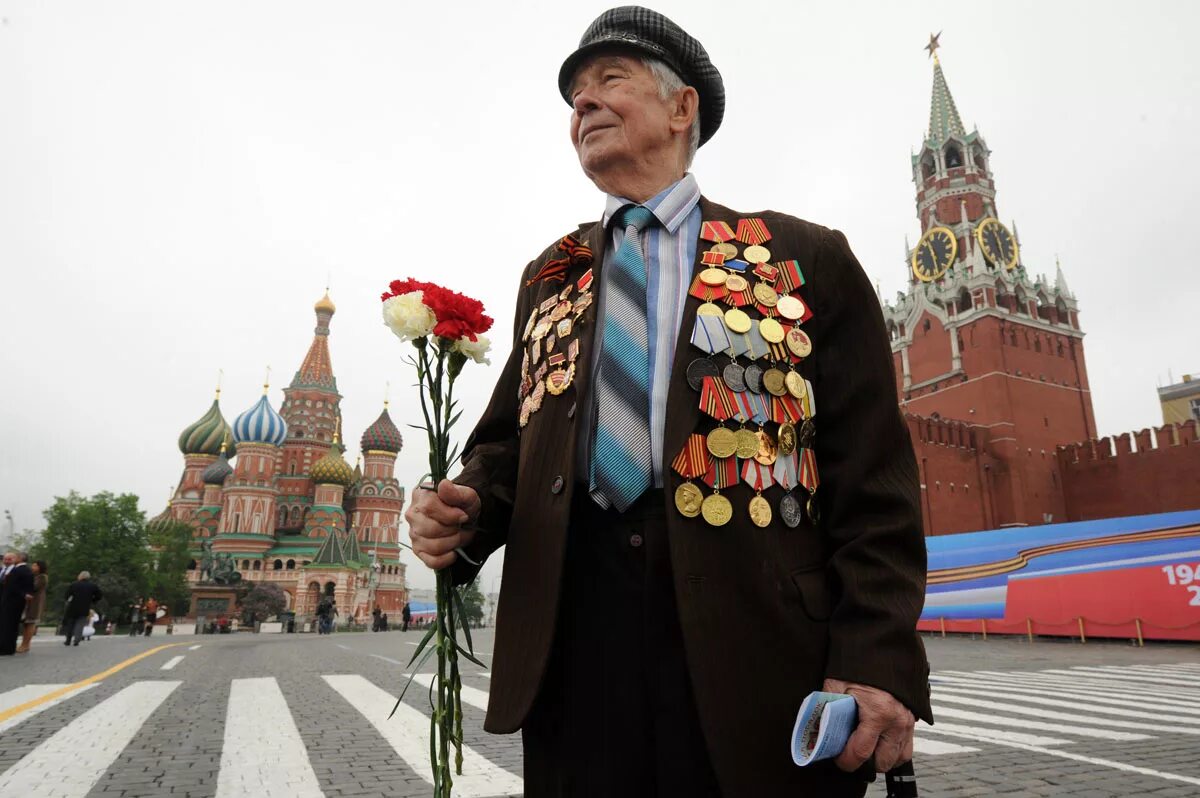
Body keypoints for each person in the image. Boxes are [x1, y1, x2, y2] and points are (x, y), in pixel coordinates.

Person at [404, 8, 932, 796]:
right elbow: (509, 446)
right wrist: (464, 506)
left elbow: (875, 481)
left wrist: (875, 657)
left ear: (682, 108)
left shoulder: (801, 256)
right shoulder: (551, 274)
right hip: (577, 638)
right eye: (574, 95)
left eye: (608, 80)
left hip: (760, 640)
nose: (582, 104)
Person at [0, 551, 35, 656]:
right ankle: (8, 647)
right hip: (14, 602)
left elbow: (13, 587)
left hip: (12, 602)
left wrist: (24, 594)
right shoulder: (23, 570)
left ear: (18, 558)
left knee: (8, 625)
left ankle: (6, 648)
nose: (7, 561)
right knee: (9, 625)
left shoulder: (17, 571)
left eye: (11, 559)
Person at [62, 571, 103, 646]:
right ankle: (77, 640)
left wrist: (68, 601)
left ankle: (68, 640)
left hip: (73, 607)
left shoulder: (74, 584)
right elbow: (99, 595)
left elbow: (66, 595)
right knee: (80, 624)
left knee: (71, 624)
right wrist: (93, 600)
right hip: (85, 607)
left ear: (80, 576)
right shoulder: (92, 586)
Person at [16, 560, 48, 654]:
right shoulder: (35, 576)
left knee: (30, 623)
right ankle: (24, 644)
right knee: (26, 624)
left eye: (35, 565)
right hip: (30, 603)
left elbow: (33, 587)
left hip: (35, 603)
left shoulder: (42, 577)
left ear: (40, 567)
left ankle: (25, 645)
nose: (32, 567)